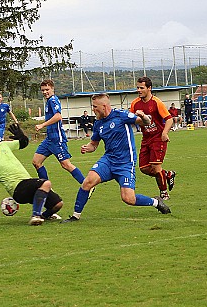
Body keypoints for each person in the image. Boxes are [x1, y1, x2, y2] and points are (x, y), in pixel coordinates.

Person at [61, 93, 171, 223]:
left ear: (104, 106)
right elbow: (94, 144)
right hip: (108, 161)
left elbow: (146, 122)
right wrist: (87, 148)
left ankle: (156, 202)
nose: (93, 109)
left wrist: (143, 116)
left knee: (128, 198)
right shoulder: (98, 123)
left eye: (95, 106)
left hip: (125, 163)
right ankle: (75, 216)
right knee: (87, 182)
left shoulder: (121, 115)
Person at [0, 124, 63, 226]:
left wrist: (21, 136)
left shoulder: (3, 145)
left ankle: (43, 216)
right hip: (17, 190)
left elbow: (23, 144)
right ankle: (35, 216)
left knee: (58, 205)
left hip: (27, 183)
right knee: (45, 183)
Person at [130, 77, 176, 200]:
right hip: (146, 138)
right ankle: (167, 174)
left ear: (149, 88)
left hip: (158, 137)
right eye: (138, 87)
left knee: (156, 167)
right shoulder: (135, 104)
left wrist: (165, 133)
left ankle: (164, 194)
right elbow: (131, 120)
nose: (138, 90)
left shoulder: (156, 102)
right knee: (144, 168)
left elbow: (169, 119)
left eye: (141, 88)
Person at [32, 79, 85, 185]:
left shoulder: (53, 100)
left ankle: (86, 185)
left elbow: (58, 116)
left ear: (52, 89)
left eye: (47, 89)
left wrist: (42, 124)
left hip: (57, 139)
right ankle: (46, 188)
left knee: (66, 165)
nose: (45, 92)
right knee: (36, 162)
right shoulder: (48, 101)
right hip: (49, 139)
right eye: (43, 90)